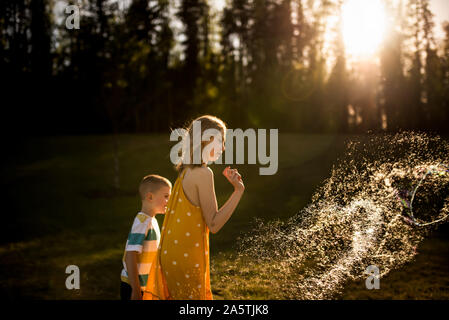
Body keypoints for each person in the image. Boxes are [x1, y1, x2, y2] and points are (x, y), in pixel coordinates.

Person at [143, 115, 245, 300]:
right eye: (220, 140)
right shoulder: (203, 173)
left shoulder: (186, 170)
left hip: (170, 255)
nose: (223, 148)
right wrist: (238, 191)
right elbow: (213, 224)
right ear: (206, 139)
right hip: (185, 258)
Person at [120, 174, 172, 300]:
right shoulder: (142, 221)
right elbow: (130, 256)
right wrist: (136, 291)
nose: (169, 201)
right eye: (166, 197)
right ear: (150, 197)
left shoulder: (152, 220)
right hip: (133, 287)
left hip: (145, 287)